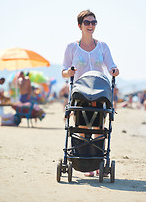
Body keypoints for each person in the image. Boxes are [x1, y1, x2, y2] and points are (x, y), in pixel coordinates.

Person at [62, 9, 119, 176]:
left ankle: (97, 163)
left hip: (100, 91)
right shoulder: (72, 47)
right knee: (80, 126)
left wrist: (114, 70)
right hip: (80, 92)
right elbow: (63, 71)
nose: (90, 25)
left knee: (98, 127)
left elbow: (111, 66)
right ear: (79, 25)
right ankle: (83, 161)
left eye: (93, 22)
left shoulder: (102, 46)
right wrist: (69, 72)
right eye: (87, 22)